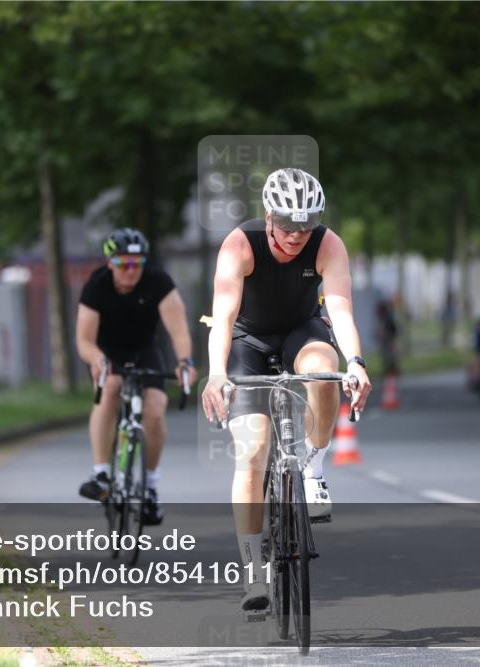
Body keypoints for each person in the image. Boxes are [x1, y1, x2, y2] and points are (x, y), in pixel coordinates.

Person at [200, 168, 372, 614]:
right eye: (288, 224)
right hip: (247, 341)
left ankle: (313, 470)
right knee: (253, 449)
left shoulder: (328, 244)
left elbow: (340, 311)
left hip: (302, 331)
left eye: (307, 225)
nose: (297, 235)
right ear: (268, 216)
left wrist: (356, 362)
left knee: (324, 371)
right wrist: (216, 373)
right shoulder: (240, 244)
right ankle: (252, 570)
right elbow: (223, 316)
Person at [75, 228, 193, 526]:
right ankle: (101, 474)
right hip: (107, 352)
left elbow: (179, 330)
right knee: (110, 388)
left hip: (144, 350)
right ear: (110, 262)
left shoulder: (158, 282)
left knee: (155, 411)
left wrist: (184, 362)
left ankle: (150, 487)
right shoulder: (96, 286)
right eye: (123, 263)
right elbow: (84, 340)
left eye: (137, 263)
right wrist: (97, 359)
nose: (131, 270)